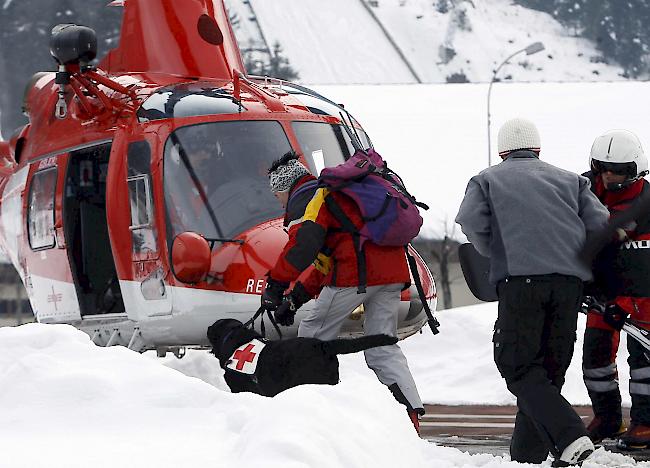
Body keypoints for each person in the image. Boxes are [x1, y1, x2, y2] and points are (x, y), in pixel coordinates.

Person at [455, 118, 609, 465]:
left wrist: (494, 249)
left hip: (521, 283)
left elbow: (470, 222)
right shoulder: (571, 180)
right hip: (570, 285)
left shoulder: (488, 178)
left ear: (502, 150)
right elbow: (600, 224)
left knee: (518, 365)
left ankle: (572, 438)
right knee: (548, 369)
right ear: (537, 148)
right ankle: (528, 455)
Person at [260, 151, 425, 432]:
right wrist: (297, 297)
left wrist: (275, 285)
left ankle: (309, 414)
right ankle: (410, 414)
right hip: (392, 276)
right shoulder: (341, 194)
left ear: (285, 188)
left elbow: (303, 247)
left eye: (277, 195)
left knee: (311, 339)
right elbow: (329, 261)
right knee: (381, 346)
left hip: (356, 277)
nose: (278, 201)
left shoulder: (312, 200)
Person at [581, 129, 650, 449]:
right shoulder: (583, 191)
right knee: (595, 358)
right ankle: (606, 417)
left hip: (642, 297)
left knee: (644, 363)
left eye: (619, 169)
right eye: (603, 167)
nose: (610, 175)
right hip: (600, 294)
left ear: (636, 169)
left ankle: (645, 423)